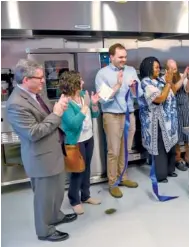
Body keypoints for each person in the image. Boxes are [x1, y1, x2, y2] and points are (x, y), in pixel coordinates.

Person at [7, 59, 77, 242]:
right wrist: (57, 114)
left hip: (53, 152)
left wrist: (58, 106)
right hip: (40, 157)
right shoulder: (16, 104)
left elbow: (46, 115)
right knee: (44, 197)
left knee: (56, 190)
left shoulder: (36, 93)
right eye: (39, 78)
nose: (43, 81)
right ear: (25, 80)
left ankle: (55, 216)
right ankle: (45, 230)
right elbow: (33, 133)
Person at [95, 43, 139, 198]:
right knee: (113, 151)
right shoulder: (102, 74)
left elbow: (136, 95)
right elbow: (103, 99)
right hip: (112, 116)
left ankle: (123, 177)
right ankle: (113, 183)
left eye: (125, 57)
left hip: (129, 115)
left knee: (126, 149)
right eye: (120, 57)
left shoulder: (131, 70)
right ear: (111, 57)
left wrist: (134, 88)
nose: (123, 60)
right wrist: (118, 86)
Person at [59, 71, 102, 215]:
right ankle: (74, 200)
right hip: (75, 142)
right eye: (80, 80)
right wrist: (85, 107)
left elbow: (95, 115)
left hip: (88, 138)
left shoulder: (84, 95)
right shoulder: (65, 102)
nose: (83, 82)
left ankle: (86, 196)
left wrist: (94, 105)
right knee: (77, 171)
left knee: (87, 168)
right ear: (73, 84)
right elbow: (72, 124)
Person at [138, 57, 179, 183]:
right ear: (148, 69)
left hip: (169, 120)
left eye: (158, 67)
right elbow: (159, 98)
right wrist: (167, 83)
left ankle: (170, 169)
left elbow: (174, 91)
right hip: (157, 123)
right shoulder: (146, 83)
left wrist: (170, 80)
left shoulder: (160, 79)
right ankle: (161, 175)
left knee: (171, 146)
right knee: (160, 147)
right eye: (156, 67)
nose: (158, 69)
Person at [164, 59, 189, 171]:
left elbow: (188, 89)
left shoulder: (181, 75)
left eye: (176, 68)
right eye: (173, 69)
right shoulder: (165, 78)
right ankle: (178, 159)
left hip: (185, 107)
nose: (175, 71)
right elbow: (173, 89)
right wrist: (184, 76)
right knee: (176, 137)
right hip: (173, 109)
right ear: (167, 69)